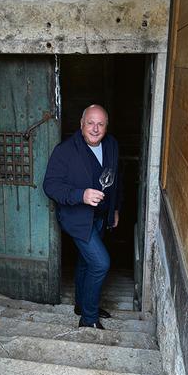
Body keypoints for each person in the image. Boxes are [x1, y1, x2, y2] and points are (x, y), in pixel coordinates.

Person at [42, 104, 121, 329]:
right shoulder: (65, 151)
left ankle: (82, 304)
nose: (95, 129)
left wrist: (115, 208)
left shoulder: (112, 145)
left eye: (100, 124)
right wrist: (81, 195)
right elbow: (50, 186)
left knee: (86, 262)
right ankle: (88, 317)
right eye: (90, 123)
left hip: (101, 216)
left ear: (106, 127)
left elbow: (116, 181)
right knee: (100, 263)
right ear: (81, 124)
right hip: (76, 219)